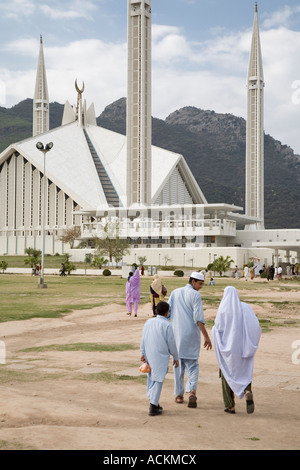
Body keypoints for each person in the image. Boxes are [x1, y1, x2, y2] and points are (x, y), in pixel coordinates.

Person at [212, 286, 261, 415]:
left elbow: (218, 328)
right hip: (243, 348)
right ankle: (247, 391)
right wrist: (251, 342)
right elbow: (255, 326)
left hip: (228, 350)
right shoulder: (245, 307)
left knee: (227, 374)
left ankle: (230, 406)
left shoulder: (223, 310)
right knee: (243, 372)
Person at [167, 272, 212, 408]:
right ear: (193, 282)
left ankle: (179, 395)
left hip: (176, 336)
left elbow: (167, 312)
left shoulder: (175, 293)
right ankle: (192, 392)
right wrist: (206, 336)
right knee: (193, 366)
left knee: (178, 366)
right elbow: (198, 318)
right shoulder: (195, 295)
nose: (201, 286)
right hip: (191, 335)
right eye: (200, 283)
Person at [140, 301, 179, 416]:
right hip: (160, 355)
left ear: (156, 311)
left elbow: (143, 338)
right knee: (158, 379)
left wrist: (142, 353)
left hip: (149, 353)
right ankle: (153, 404)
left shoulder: (149, 322)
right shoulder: (167, 325)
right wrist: (176, 357)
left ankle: (153, 401)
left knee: (151, 376)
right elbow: (171, 343)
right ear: (167, 313)